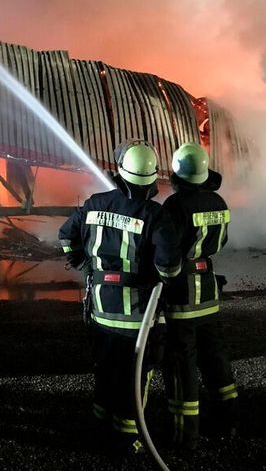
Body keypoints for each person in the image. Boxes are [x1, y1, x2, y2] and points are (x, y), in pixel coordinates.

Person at [58, 140, 182, 453]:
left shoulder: (94, 203)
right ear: (153, 179)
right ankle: (127, 438)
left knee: (106, 368)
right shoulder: (156, 215)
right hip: (138, 318)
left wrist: (83, 265)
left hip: (100, 311)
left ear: (120, 173)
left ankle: (101, 425)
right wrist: (165, 281)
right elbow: (169, 266)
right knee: (135, 376)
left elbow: (65, 236)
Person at [161, 142, 239, 451]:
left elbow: (167, 251)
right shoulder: (219, 202)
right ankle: (228, 420)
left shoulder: (175, 206)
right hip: (208, 291)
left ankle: (185, 435)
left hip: (182, 295)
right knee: (215, 359)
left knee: (182, 366)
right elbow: (221, 242)